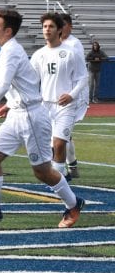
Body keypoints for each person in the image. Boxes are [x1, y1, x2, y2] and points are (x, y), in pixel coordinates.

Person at [0, 9, 83, 228]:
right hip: (17, 114)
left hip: (31, 118)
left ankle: (73, 204)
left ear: (8, 31)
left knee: (42, 172)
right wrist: (10, 104)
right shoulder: (7, 50)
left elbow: (3, 85)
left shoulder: (11, 52)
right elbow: (23, 82)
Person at [29, 13, 87, 181]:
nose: (47, 29)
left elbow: (83, 78)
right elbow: (31, 80)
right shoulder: (39, 54)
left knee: (59, 144)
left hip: (66, 106)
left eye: (51, 26)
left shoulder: (71, 52)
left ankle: (57, 181)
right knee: (48, 147)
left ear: (59, 30)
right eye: (45, 26)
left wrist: (71, 95)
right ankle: (58, 178)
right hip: (45, 106)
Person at [60, 14, 89, 178]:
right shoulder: (55, 44)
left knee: (60, 134)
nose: (60, 28)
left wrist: (73, 94)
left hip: (74, 95)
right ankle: (72, 166)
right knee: (62, 134)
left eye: (63, 25)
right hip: (60, 95)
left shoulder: (74, 44)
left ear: (70, 26)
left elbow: (80, 74)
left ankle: (62, 170)